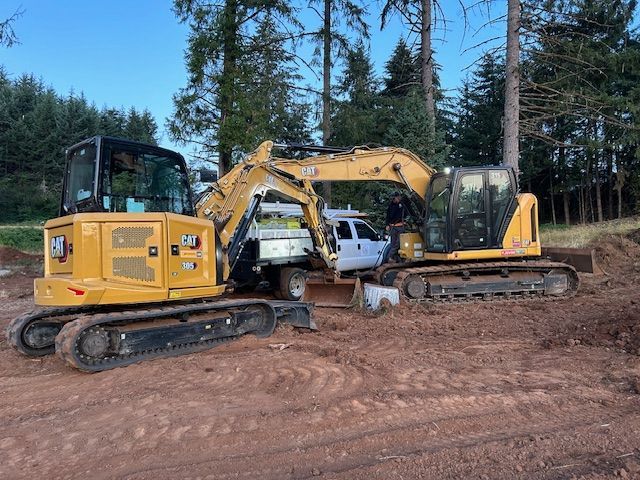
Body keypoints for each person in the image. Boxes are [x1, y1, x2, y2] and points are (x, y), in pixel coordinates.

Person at [385, 192, 405, 262]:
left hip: (400, 226)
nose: (399, 199)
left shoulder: (402, 204)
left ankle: (390, 256)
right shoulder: (391, 206)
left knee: (399, 243)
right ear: (395, 198)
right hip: (393, 227)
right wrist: (387, 224)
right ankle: (393, 258)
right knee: (393, 243)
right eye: (398, 198)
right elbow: (387, 216)